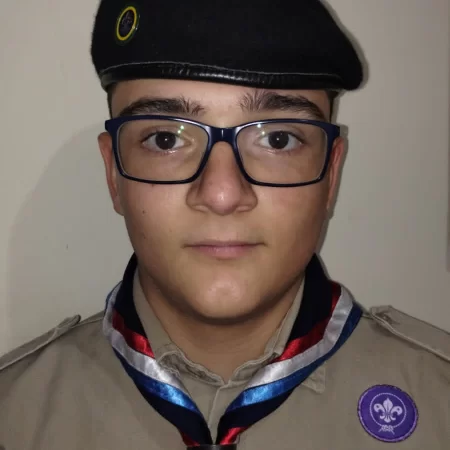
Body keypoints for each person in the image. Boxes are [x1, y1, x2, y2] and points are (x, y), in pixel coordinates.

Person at [0, 1, 449, 449]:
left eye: (278, 139)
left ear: (331, 175)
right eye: (165, 139)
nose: (221, 194)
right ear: (113, 174)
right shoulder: (14, 414)